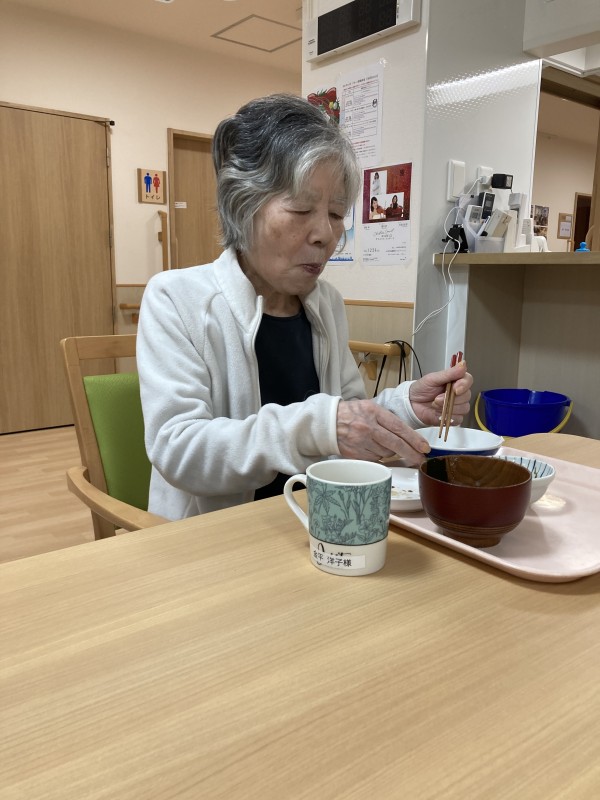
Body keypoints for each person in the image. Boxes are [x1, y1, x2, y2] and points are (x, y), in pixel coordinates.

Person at [137, 94, 472, 520]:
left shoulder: (325, 303)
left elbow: (345, 417)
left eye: (336, 213)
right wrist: (320, 427)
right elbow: (179, 450)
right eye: (300, 209)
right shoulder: (176, 298)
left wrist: (408, 405)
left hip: (318, 519)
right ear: (242, 206)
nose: (325, 235)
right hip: (216, 538)